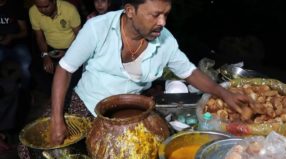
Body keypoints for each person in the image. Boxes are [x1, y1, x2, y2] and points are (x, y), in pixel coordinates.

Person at [50, 0, 249, 144]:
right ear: (130, 10)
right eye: (155, 15)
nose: (162, 22)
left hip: (130, 113)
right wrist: (57, 119)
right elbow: (65, 69)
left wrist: (223, 92)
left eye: (166, 14)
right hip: (87, 105)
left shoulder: (166, 41)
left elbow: (190, 73)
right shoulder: (97, 29)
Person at [29, 0, 81, 74]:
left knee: (69, 74)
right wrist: (45, 55)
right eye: (39, 7)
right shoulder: (33, 11)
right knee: (35, 69)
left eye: (46, 6)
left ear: (54, 1)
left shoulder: (69, 9)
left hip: (71, 47)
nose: (43, 10)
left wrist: (68, 52)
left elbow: (80, 36)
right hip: (50, 49)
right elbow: (39, 37)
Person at [0, 0, 32, 89]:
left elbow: (25, 32)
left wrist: (11, 37)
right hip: (1, 45)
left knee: (25, 66)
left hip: (17, 43)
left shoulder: (15, 7)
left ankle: (25, 92)